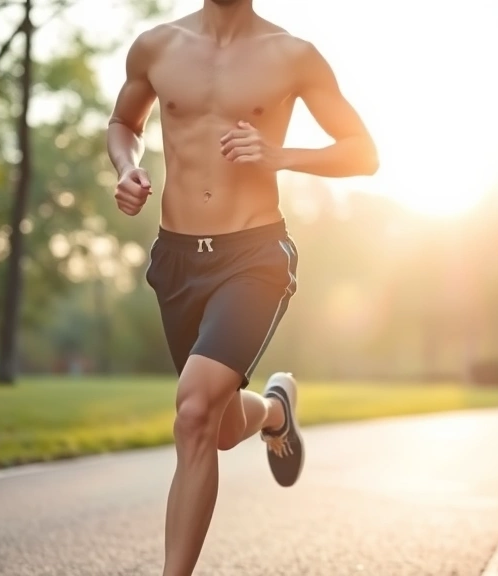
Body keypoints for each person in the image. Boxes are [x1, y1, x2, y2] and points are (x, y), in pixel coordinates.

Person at [105, 1, 378, 574]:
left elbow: (363, 151)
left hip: (253, 254)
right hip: (178, 258)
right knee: (220, 426)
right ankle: (275, 413)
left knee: (194, 410)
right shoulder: (156, 45)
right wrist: (126, 169)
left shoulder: (293, 55)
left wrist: (280, 155)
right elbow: (124, 124)